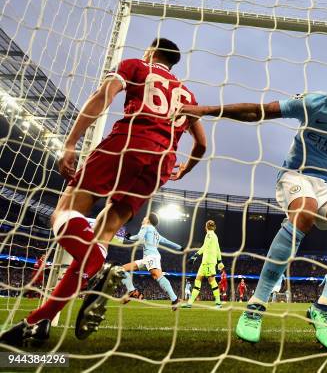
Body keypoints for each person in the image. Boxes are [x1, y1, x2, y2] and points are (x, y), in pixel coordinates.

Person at [0, 38, 206, 347]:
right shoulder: (187, 94)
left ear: (150, 51)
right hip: (162, 163)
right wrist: (184, 170)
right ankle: (39, 320)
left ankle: (98, 266)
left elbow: (103, 95)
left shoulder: (137, 65)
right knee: (103, 234)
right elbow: (201, 145)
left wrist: (71, 142)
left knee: (65, 211)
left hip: (128, 143)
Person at [181, 64, 327, 351]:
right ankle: (255, 307)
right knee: (305, 210)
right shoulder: (314, 103)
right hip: (295, 177)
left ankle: (324, 307)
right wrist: (208, 110)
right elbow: (260, 111)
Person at [120, 213, 182, 310]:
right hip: (147, 259)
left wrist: (129, 237)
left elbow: (139, 237)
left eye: (145, 217)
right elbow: (167, 241)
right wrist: (180, 247)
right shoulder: (156, 233)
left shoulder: (146, 226)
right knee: (121, 269)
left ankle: (175, 299)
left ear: (148, 220)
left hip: (151, 257)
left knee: (157, 276)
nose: (143, 218)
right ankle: (132, 291)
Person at [182, 220, 224, 308]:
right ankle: (189, 303)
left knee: (211, 280)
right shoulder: (215, 236)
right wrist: (219, 261)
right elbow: (218, 250)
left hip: (208, 262)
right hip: (205, 262)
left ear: (206, 227)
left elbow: (204, 247)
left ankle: (218, 303)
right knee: (198, 279)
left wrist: (195, 256)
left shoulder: (209, 235)